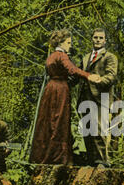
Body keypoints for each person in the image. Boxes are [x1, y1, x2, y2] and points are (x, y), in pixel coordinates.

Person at [29, 29, 100, 165]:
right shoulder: (62, 55)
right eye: (68, 42)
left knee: (48, 122)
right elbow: (72, 69)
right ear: (61, 42)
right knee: (59, 122)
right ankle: (58, 158)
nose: (70, 45)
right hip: (60, 89)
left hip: (50, 89)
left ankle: (42, 156)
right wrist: (89, 76)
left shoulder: (51, 56)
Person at [79, 28, 118, 168]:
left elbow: (111, 76)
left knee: (99, 130)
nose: (98, 40)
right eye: (95, 37)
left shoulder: (110, 57)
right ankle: (92, 161)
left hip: (101, 98)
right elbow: (78, 75)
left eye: (101, 38)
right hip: (85, 98)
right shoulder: (85, 58)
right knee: (87, 130)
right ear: (92, 39)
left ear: (105, 40)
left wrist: (98, 80)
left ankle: (103, 161)